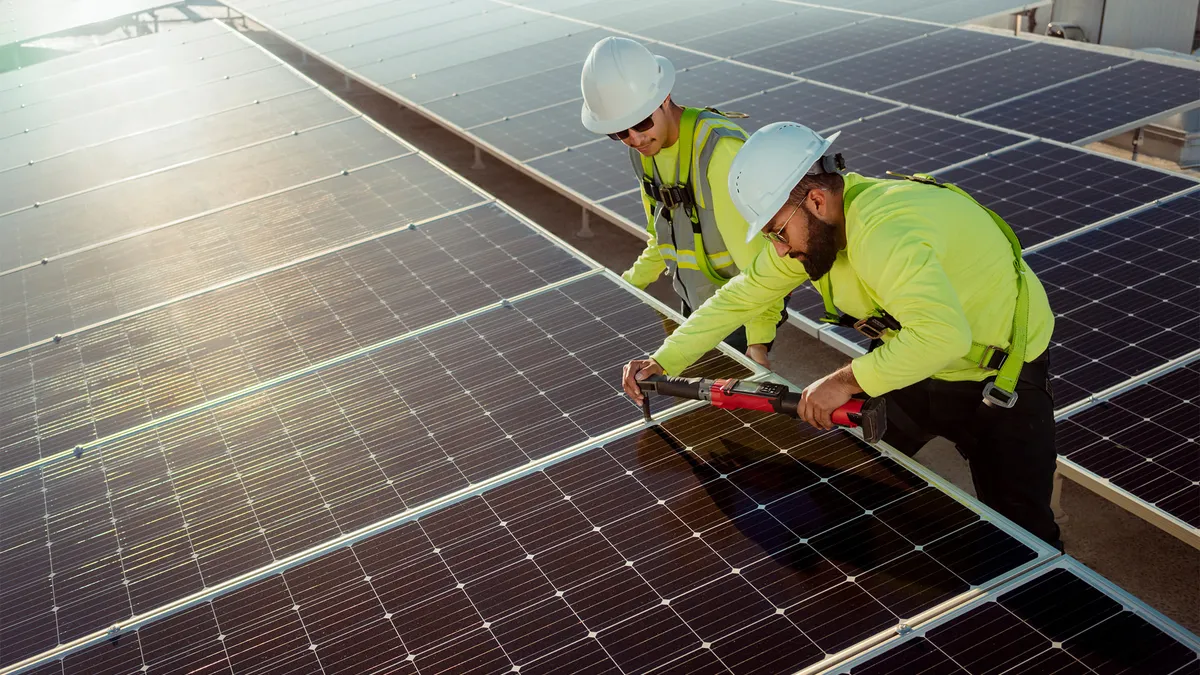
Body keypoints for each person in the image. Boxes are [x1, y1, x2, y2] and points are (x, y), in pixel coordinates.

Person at [621, 121, 1062, 549]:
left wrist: (841, 382)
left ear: (815, 199)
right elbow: (740, 296)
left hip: (1000, 380)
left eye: (776, 231)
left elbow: (943, 336)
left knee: (1022, 533)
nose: (777, 248)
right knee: (858, 481)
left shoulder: (885, 231)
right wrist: (665, 360)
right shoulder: (816, 229)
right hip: (909, 362)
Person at [579, 37, 787, 368]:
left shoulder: (719, 151)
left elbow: (759, 261)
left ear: (665, 98)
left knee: (729, 408)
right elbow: (660, 234)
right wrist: (626, 284)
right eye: (618, 133)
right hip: (694, 302)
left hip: (737, 309)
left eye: (642, 123)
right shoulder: (644, 154)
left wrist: (758, 341)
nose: (634, 139)